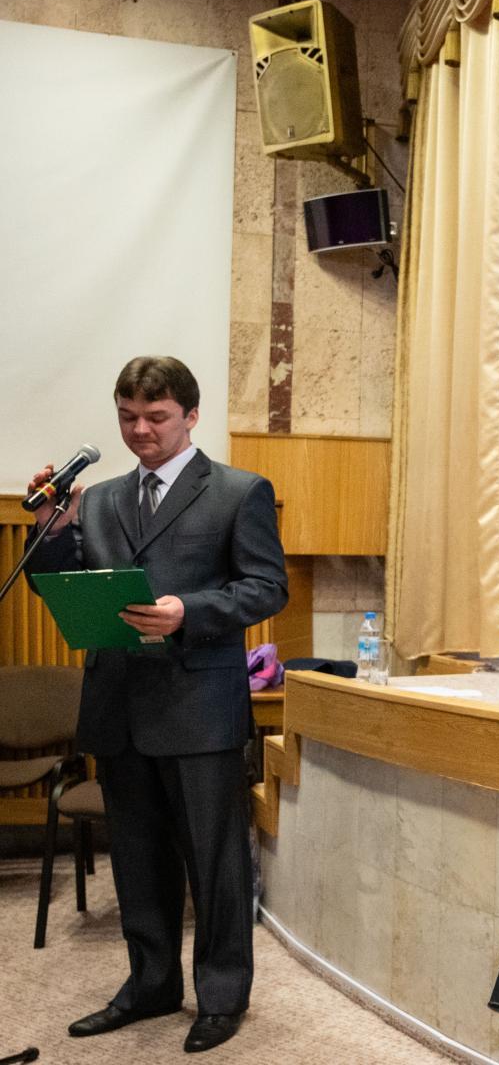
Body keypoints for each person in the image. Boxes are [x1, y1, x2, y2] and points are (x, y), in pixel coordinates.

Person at [25, 356, 287, 1054]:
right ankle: (150, 984)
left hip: (198, 706)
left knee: (214, 863)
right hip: (118, 704)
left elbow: (267, 587)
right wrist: (51, 528)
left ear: (191, 415)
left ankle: (222, 996)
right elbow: (61, 583)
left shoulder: (238, 491)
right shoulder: (99, 498)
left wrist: (187, 610)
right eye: (127, 417)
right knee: (137, 861)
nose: (140, 430)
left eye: (156, 417)